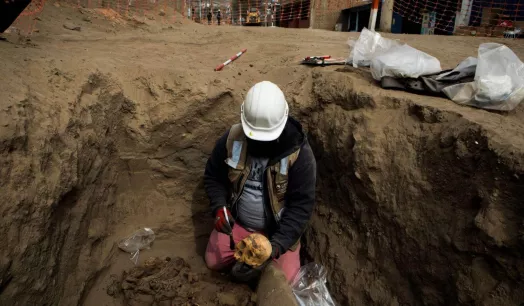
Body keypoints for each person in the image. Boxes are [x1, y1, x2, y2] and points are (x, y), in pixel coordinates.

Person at [203, 81, 317, 282]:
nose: (260, 143)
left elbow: (301, 207)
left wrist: (275, 246)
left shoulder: (299, 154)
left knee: (286, 281)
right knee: (213, 261)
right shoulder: (232, 140)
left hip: (278, 231)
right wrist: (219, 206)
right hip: (240, 224)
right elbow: (214, 176)